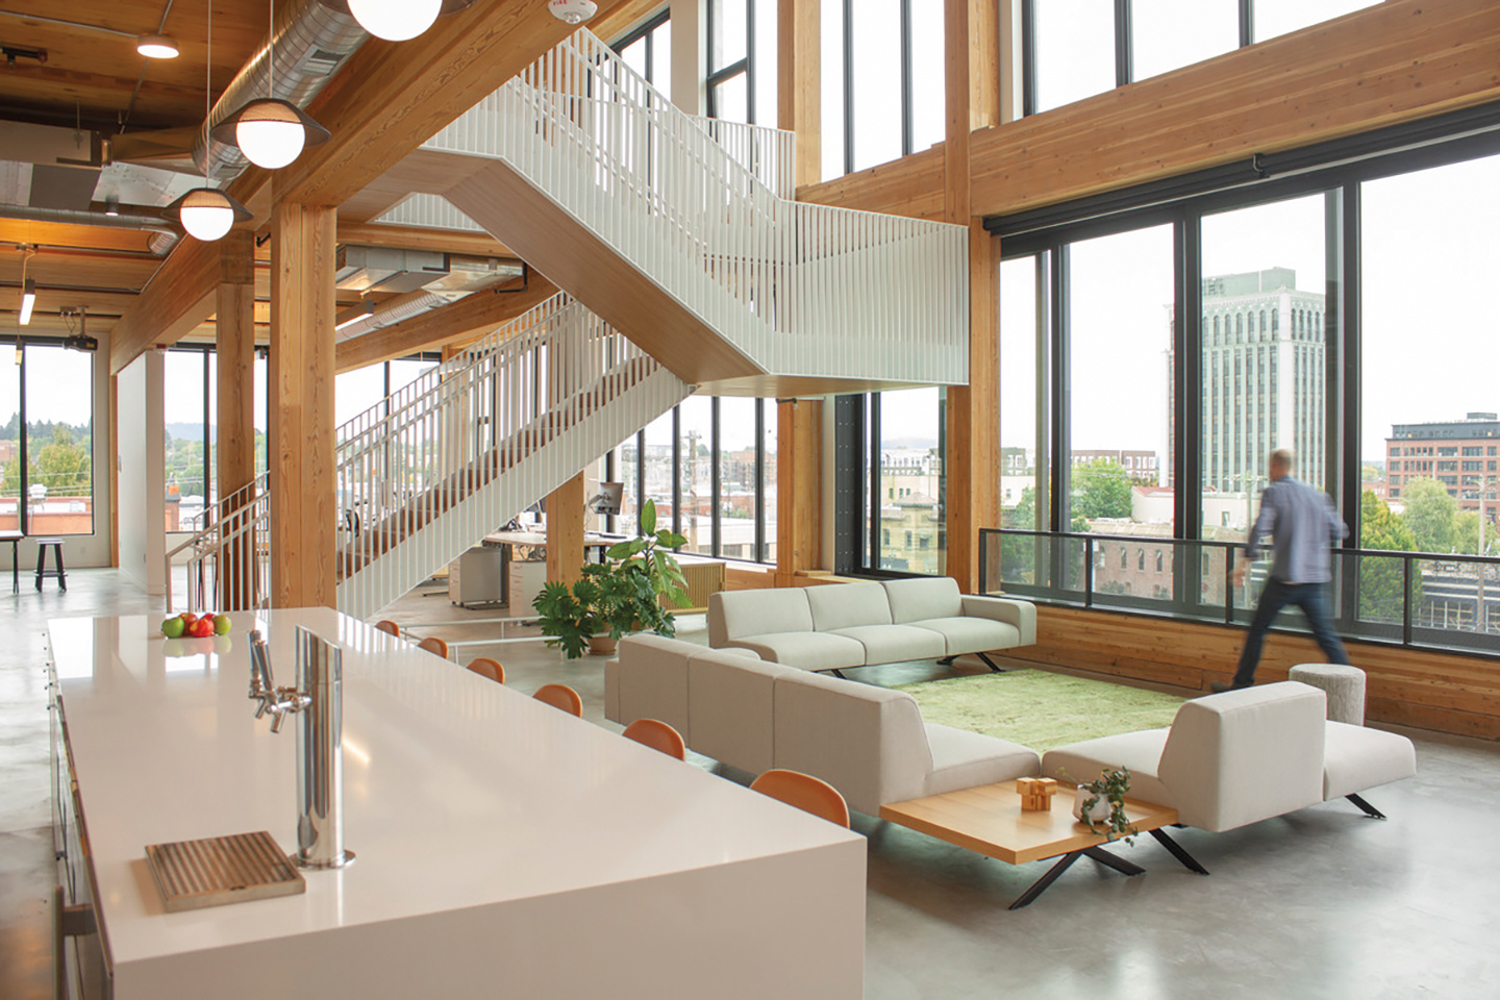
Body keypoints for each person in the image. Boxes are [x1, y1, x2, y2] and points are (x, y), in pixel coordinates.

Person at [1215, 449, 1350, 691]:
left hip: (1285, 580)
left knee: (1257, 631)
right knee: (1326, 638)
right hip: (1314, 580)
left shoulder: (1274, 492)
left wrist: (1243, 564)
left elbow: (1261, 528)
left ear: (1275, 468)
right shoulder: (1317, 496)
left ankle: (1241, 685)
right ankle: (1349, 687)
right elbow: (1340, 531)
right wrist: (1311, 535)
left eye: (1269, 468)